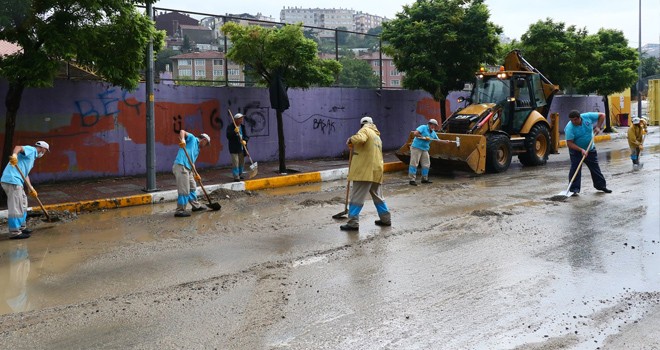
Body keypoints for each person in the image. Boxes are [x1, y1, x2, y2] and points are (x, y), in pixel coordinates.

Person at [340, 116, 391, 231]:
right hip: (376, 170)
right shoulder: (377, 136)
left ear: (361, 124)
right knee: (378, 196)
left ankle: (353, 223)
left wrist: (351, 139)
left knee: (356, 197)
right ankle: (386, 219)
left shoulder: (365, 130)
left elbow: (360, 139)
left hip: (365, 170)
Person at [1, 141, 50, 239]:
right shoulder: (32, 150)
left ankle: (22, 227)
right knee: (16, 207)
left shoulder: (31, 157)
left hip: (17, 181)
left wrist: (31, 187)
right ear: (43, 149)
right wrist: (14, 156)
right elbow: (18, 147)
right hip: (12, 180)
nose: (44, 153)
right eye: (45, 151)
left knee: (23, 203)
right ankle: (15, 232)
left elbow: (25, 174)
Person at [564, 110, 611, 195]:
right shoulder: (569, 128)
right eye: (571, 120)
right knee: (575, 169)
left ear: (579, 118)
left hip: (590, 149)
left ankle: (601, 186)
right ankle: (574, 189)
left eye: (575, 120)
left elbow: (602, 115)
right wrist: (581, 150)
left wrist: (598, 127)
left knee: (595, 168)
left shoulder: (587, 117)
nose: (573, 122)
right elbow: (569, 143)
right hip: (576, 151)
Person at [173, 130, 211, 217]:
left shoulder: (197, 149)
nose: (205, 146)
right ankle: (180, 210)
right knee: (184, 190)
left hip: (188, 169)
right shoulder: (193, 139)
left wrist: (196, 173)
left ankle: (196, 206)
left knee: (192, 187)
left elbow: (192, 162)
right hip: (181, 166)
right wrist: (183, 140)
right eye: (206, 144)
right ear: (204, 140)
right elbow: (182, 131)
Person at [408, 119, 447, 186]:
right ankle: (412, 180)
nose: (433, 127)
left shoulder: (433, 133)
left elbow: (437, 140)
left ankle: (424, 179)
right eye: (433, 125)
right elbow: (415, 133)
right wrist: (424, 137)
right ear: (429, 124)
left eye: (435, 126)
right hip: (416, 147)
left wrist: (445, 141)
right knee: (414, 163)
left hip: (425, 149)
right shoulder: (423, 127)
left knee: (426, 164)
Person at [226, 113, 249, 181]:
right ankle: (236, 177)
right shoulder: (230, 127)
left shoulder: (242, 126)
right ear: (235, 120)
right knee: (235, 162)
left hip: (241, 147)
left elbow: (246, 136)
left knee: (241, 162)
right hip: (234, 148)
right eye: (240, 119)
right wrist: (234, 132)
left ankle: (240, 174)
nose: (241, 120)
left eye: (242, 118)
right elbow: (228, 136)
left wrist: (245, 140)